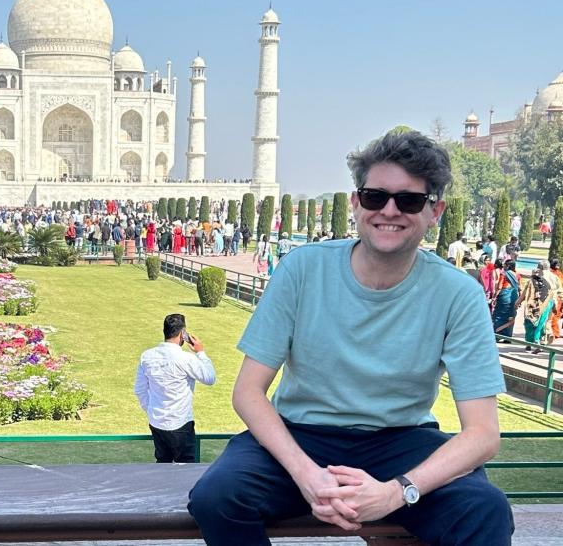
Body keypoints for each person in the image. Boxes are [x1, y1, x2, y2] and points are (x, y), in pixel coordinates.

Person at [188, 130, 512, 545]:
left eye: (409, 200)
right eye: (376, 197)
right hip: (301, 433)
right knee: (218, 498)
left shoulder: (457, 293)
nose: (389, 211)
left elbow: (483, 434)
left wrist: (397, 491)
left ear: (435, 211)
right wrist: (306, 474)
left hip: (400, 440)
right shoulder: (302, 269)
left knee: (484, 509)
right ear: (357, 203)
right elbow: (248, 392)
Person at [134, 314, 216, 463]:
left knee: (162, 467)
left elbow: (140, 390)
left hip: (157, 423)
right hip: (181, 423)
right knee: (186, 469)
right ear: (182, 334)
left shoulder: (147, 356)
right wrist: (200, 352)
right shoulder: (186, 359)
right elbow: (210, 378)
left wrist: (152, 410)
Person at [519, 261, 556, 351]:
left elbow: (525, 294)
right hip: (548, 304)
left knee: (530, 323)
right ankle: (541, 341)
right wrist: (555, 306)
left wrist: (518, 302)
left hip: (533, 305)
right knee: (542, 323)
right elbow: (555, 292)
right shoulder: (553, 277)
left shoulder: (531, 281)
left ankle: (530, 342)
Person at [492, 259, 519, 343]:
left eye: (505, 265)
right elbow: (519, 287)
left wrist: (494, 297)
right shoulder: (517, 275)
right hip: (514, 296)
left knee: (499, 315)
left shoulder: (504, 274)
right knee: (510, 315)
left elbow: (499, 287)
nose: (503, 266)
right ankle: (508, 337)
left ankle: (497, 334)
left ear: (508, 266)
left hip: (504, 296)